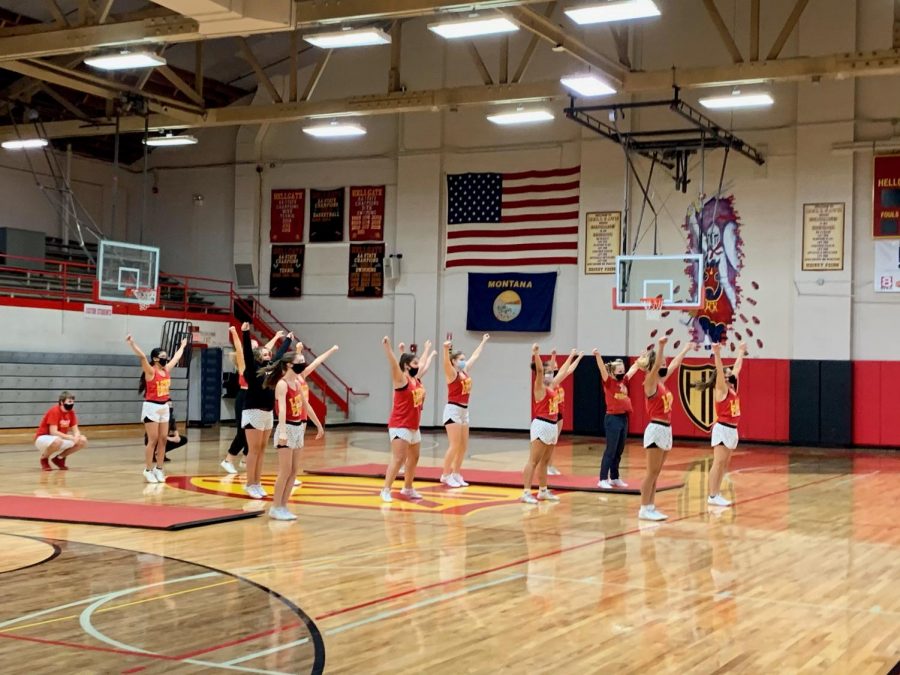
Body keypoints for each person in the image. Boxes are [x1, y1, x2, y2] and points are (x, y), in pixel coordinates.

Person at [637, 338, 695, 521]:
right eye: (661, 362)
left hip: (666, 429)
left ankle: (651, 506)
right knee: (651, 472)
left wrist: (685, 349)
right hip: (655, 428)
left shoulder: (661, 382)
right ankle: (644, 508)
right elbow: (654, 369)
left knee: (656, 473)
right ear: (654, 365)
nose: (665, 364)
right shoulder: (650, 383)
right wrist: (660, 347)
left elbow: (675, 364)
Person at [221, 328, 291, 475]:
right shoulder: (246, 363)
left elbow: (270, 353)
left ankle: (246, 459)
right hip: (246, 398)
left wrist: (279, 338)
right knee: (243, 432)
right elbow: (242, 348)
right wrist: (235, 333)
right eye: (253, 346)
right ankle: (229, 460)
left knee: (255, 440)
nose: (257, 347)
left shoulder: (266, 365)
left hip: (263, 404)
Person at [126, 334, 188, 483]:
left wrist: (183, 346)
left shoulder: (166, 369)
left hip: (164, 407)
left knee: (163, 440)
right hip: (151, 407)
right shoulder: (151, 371)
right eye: (162, 356)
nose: (166, 358)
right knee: (152, 440)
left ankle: (159, 469)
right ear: (155, 358)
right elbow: (142, 357)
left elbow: (176, 358)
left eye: (166, 356)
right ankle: (148, 470)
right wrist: (132, 344)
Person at [271, 352, 325, 520]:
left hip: (298, 429)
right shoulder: (282, 384)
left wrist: (318, 424)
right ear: (288, 364)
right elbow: (282, 409)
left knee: (294, 471)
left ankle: (284, 506)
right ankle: (275, 506)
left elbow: (306, 405)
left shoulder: (297, 382)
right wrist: (282, 432)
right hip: (286, 427)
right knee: (285, 470)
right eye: (299, 361)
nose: (302, 364)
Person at [381, 337, 435, 503]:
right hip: (400, 425)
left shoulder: (416, 379)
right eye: (415, 363)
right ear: (406, 366)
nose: (418, 366)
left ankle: (408, 488)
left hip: (413, 426)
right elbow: (392, 363)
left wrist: (427, 350)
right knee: (398, 459)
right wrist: (388, 347)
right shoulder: (401, 380)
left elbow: (424, 364)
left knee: (414, 458)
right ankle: (385, 490)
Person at [522, 345, 577, 504]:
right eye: (548, 373)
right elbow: (539, 371)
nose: (550, 375)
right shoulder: (539, 387)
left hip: (552, 425)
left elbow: (563, 371)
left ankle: (543, 491)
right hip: (541, 424)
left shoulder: (552, 386)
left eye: (551, 372)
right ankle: (526, 492)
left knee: (545, 462)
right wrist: (536, 354)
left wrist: (571, 356)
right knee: (534, 461)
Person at [696, 342, 746, 507]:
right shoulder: (721, 390)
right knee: (718, 463)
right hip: (723, 428)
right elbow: (719, 371)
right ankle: (712, 495)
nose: (730, 376)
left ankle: (716, 494)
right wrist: (717, 354)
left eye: (730, 375)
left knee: (724, 464)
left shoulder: (731, 388)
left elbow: (737, 369)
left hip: (732, 429)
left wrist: (741, 352)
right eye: (727, 375)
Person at [440, 334, 490, 488]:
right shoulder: (452, 374)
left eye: (463, 359)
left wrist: (483, 341)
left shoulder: (465, 371)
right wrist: (445, 349)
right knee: (454, 445)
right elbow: (445, 364)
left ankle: (456, 473)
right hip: (453, 410)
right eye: (460, 359)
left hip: (464, 410)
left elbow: (475, 356)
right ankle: (445, 475)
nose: (463, 361)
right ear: (454, 361)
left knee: (463, 446)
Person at [288, 342, 339, 487]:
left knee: (298, 447)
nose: (303, 363)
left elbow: (318, 361)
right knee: (291, 447)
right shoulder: (290, 379)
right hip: (294, 414)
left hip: (304, 414)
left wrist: (331, 349)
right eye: (300, 361)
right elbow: (295, 357)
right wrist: (298, 349)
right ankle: (288, 475)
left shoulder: (303, 375)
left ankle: (293, 475)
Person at [239, 322, 281, 499]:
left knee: (262, 450)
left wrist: (286, 341)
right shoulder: (252, 369)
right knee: (253, 450)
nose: (268, 356)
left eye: (268, 354)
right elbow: (247, 353)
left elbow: (278, 357)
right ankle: (249, 484)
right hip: (253, 411)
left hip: (268, 412)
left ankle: (258, 482)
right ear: (258, 357)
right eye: (264, 354)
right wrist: (246, 333)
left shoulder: (269, 370)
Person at [594, 349, 641, 489]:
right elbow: (602, 368)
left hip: (623, 418)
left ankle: (614, 477)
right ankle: (602, 478)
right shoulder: (608, 382)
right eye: (619, 370)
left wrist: (641, 359)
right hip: (612, 418)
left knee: (619, 450)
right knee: (611, 450)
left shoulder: (624, 381)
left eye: (623, 370)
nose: (622, 372)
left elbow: (633, 369)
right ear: (613, 372)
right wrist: (598, 355)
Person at [547, 349, 583, 476]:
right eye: (554, 368)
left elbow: (569, 370)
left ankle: (550, 465)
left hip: (559, 414)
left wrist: (578, 358)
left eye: (557, 367)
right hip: (550, 415)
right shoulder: (550, 384)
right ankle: (545, 465)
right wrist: (553, 356)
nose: (556, 369)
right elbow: (557, 369)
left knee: (554, 442)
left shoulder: (559, 383)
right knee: (548, 443)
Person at [34, 391, 87, 471]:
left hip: (59, 439)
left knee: (82, 440)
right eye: (69, 401)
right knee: (57, 441)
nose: (71, 404)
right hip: (43, 439)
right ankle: (44, 459)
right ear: (62, 402)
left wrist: (76, 436)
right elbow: (53, 432)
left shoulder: (71, 412)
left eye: (73, 402)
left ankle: (59, 458)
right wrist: (68, 437)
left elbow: (76, 430)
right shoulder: (54, 411)